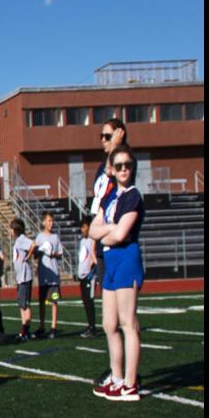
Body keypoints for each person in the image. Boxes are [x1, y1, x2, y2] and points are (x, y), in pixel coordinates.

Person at [90, 145, 145, 401]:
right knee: (109, 324)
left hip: (126, 258)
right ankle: (117, 376)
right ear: (111, 168)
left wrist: (107, 230)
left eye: (128, 165)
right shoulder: (110, 198)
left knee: (127, 323)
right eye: (119, 165)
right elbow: (91, 231)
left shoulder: (134, 196)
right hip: (110, 260)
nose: (124, 169)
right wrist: (109, 228)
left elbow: (121, 235)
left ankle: (130, 384)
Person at [89, 118, 127, 299]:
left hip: (116, 239)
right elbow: (99, 200)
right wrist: (92, 240)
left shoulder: (124, 161)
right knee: (108, 302)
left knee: (121, 304)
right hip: (101, 238)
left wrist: (116, 147)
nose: (102, 139)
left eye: (107, 136)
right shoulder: (100, 167)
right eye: (100, 136)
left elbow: (116, 181)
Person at [33, 212, 64, 339]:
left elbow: (60, 254)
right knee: (41, 301)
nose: (51, 223)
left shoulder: (55, 237)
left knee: (54, 301)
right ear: (44, 222)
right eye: (49, 221)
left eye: (52, 221)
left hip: (54, 276)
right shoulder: (39, 237)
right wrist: (39, 250)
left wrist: (52, 253)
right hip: (43, 276)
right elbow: (35, 254)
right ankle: (41, 325)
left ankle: (53, 327)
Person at [10, 217, 36, 341]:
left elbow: (33, 244)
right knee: (21, 304)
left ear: (15, 230)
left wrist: (28, 257)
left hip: (24, 277)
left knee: (25, 304)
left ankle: (25, 330)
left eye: (11, 229)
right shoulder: (18, 241)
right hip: (21, 277)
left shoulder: (21, 239)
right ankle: (24, 328)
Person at [76, 218, 98, 338]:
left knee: (89, 302)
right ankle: (90, 325)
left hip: (90, 277)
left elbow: (94, 256)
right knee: (85, 301)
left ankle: (92, 327)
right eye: (81, 227)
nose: (82, 229)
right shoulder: (82, 241)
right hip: (82, 276)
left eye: (84, 226)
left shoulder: (92, 240)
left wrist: (92, 266)